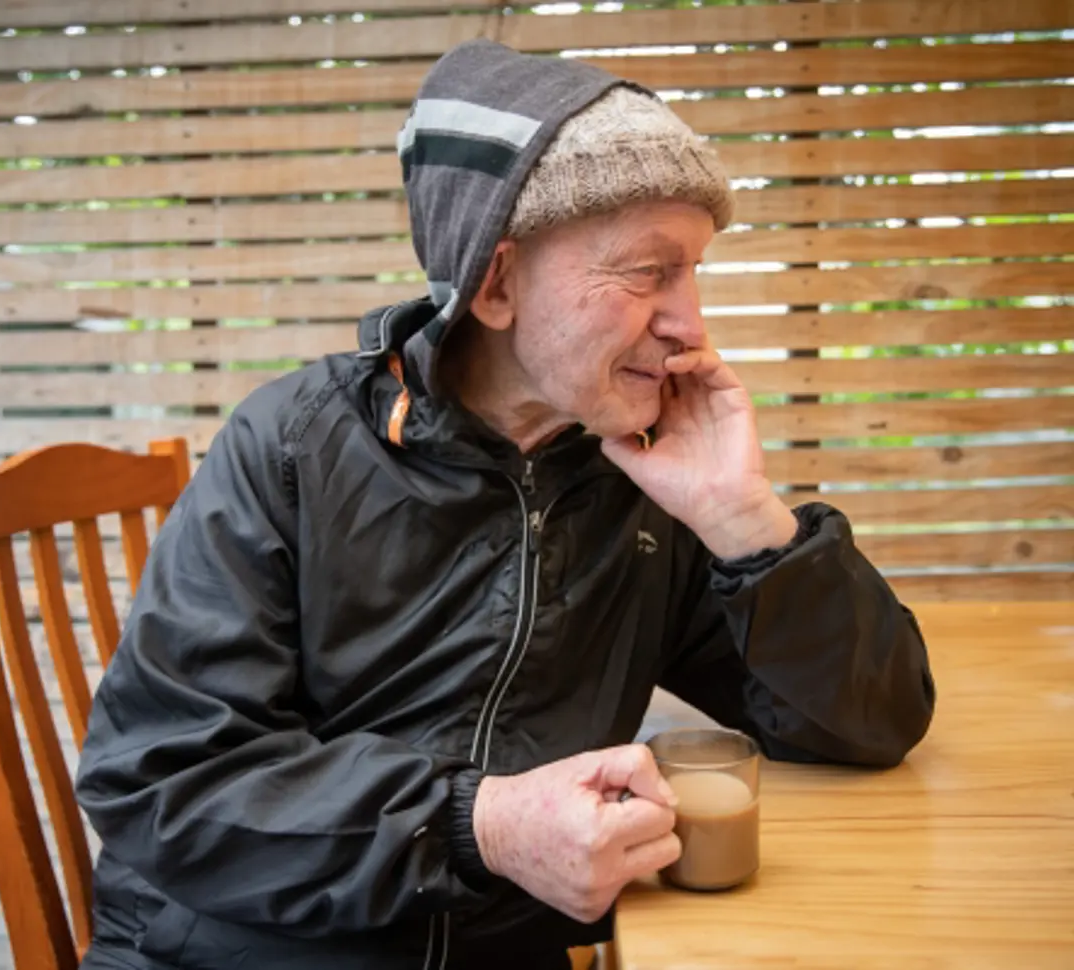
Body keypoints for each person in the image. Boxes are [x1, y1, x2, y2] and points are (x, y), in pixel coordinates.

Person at [75, 39, 935, 970]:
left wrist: (745, 524)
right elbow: (165, 781)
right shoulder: (291, 449)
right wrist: (478, 824)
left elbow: (867, 727)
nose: (691, 323)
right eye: (651, 271)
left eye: (695, 274)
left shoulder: (638, 483)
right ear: (495, 283)